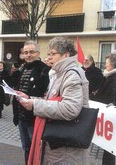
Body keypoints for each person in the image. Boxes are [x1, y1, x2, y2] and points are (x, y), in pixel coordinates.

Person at [16, 37, 90, 165]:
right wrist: (30, 99)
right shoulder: (59, 73)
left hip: (66, 145)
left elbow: (70, 109)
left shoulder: (71, 74)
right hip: (59, 143)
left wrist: (34, 104)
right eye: (48, 54)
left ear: (65, 55)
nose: (49, 57)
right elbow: (50, 100)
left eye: (53, 54)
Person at [12, 40, 49, 165]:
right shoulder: (23, 69)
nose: (28, 55)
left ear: (38, 53)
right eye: (26, 52)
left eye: (31, 52)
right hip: (22, 117)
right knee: (26, 148)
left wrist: (29, 98)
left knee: (37, 150)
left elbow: (46, 95)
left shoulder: (45, 69)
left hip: (35, 119)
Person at [92, 53, 116, 165]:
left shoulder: (113, 78)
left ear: (113, 64)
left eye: (107, 63)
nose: (105, 65)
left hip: (110, 117)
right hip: (106, 117)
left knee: (110, 148)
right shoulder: (108, 77)